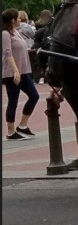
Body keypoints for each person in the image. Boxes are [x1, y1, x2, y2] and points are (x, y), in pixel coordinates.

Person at [3, 8, 41, 139]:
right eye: (18, 18)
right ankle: (10, 131)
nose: (20, 20)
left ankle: (23, 125)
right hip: (12, 73)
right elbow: (8, 53)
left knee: (34, 95)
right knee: (13, 100)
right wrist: (15, 71)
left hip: (23, 71)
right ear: (13, 20)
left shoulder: (15, 32)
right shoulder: (5, 34)